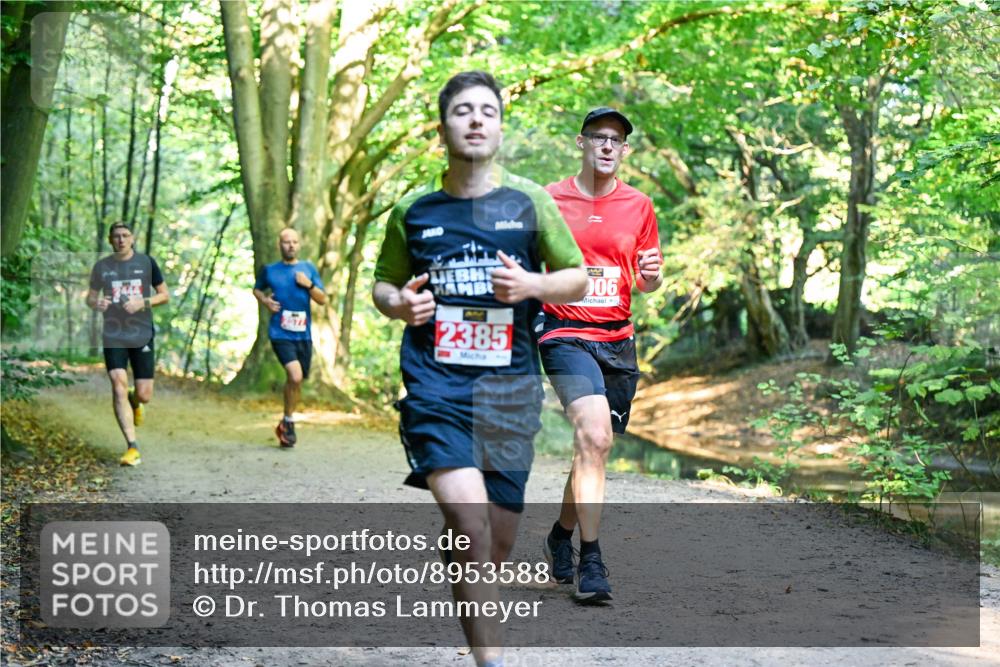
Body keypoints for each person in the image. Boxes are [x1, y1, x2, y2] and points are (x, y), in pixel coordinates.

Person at [372, 71, 586, 667]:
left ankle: (468, 571)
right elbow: (384, 287)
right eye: (462, 111)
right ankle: (491, 662)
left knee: (494, 543)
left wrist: (533, 283)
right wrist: (399, 304)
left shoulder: (529, 202)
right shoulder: (413, 210)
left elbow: (577, 277)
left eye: (486, 111)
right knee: (468, 521)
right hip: (435, 386)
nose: (474, 120)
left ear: (499, 127)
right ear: (442, 127)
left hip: (509, 390)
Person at [538, 107, 663, 602]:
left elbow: (649, 279)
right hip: (563, 332)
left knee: (594, 445)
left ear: (625, 151)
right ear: (581, 143)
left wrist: (652, 277)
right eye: (598, 137)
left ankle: (560, 536)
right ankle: (592, 561)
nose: (608, 146)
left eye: (617, 140)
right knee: (593, 433)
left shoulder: (640, 206)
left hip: (617, 339)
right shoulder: (550, 199)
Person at [86, 222, 169, 466]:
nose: (121, 240)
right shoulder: (102, 267)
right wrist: (97, 303)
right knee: (118, 384)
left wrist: (142, 303)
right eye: (116, 237)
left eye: (125, 235)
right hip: (114, 334)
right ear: (110, 241)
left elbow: (164, 294)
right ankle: (132, 446)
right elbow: (91, 297)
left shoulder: (146, 263)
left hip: (141, 333)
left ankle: (136, 401)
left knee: (144, 395)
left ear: (132, 238)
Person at [253, 228, 326, 447]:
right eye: (286, 242)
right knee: (294, 376)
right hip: (280, 332)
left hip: (303, 335)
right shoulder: (270, 270)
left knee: (298, 380)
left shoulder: (308, 269)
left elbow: (322, 299)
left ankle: (287, 419)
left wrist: (309, 284)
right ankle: (289, 420)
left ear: (299, 244)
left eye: (294, 241)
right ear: (280, 245)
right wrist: (265, 301)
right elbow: (256, 290)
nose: (291, 245)